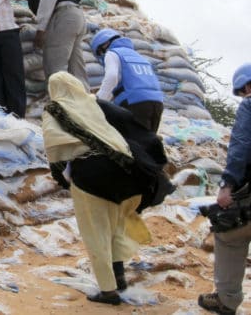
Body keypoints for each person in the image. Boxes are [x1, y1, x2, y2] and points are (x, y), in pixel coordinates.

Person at [42, 71, 172, 306]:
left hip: (91, 176)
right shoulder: (96, 103)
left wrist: (63, 181)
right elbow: (131, 124)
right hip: (126, 171)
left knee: (97, 233)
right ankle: (119, 277)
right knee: (116, 227)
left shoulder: (55, 109)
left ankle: (108, 291)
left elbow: (55, 150)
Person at [198, 63, 251, 315]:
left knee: (230, 236)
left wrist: (227, 185)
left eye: (242, 91)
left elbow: (240, 146)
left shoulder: (250, 105)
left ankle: (227, 299)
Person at [91, 28, 164, 132]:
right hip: (157, 103)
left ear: (103, 45)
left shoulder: (112, 53)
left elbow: (112, 77)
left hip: (134, 103)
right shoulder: (140, 57)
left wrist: (99, 101)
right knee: (147, 142)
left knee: (131, 143)